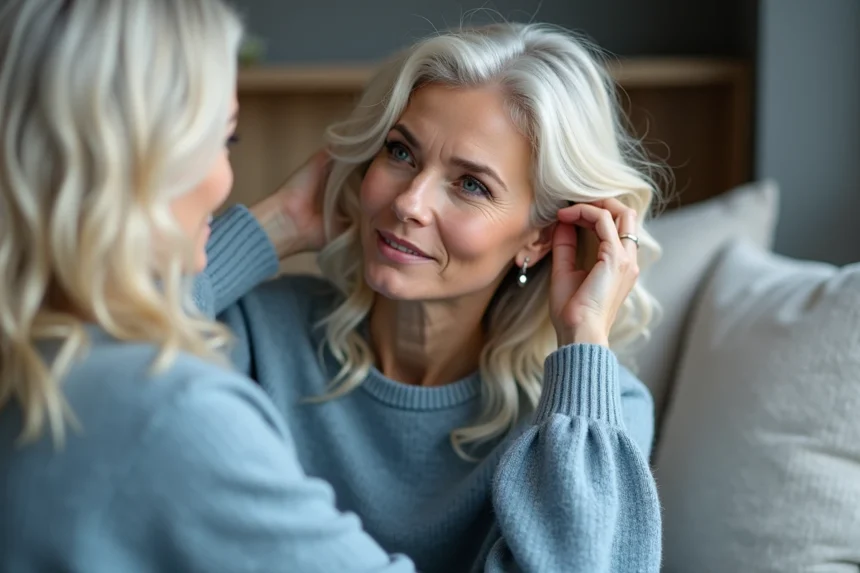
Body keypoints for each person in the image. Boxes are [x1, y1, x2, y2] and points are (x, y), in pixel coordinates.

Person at [200, 22, 664, 573]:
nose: (409, 202)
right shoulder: (256, 332)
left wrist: (585, 335)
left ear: (539, 238)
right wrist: (278, 222)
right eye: (400, 152)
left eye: (472, 184)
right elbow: (97, 350)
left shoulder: (589, 413)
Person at [0, 1, 419, 571]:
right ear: (144, 157)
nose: (225, 181)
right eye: (226, 140)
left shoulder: (38, 350)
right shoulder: (170, 409)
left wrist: (281, 224)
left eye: (473, 183)